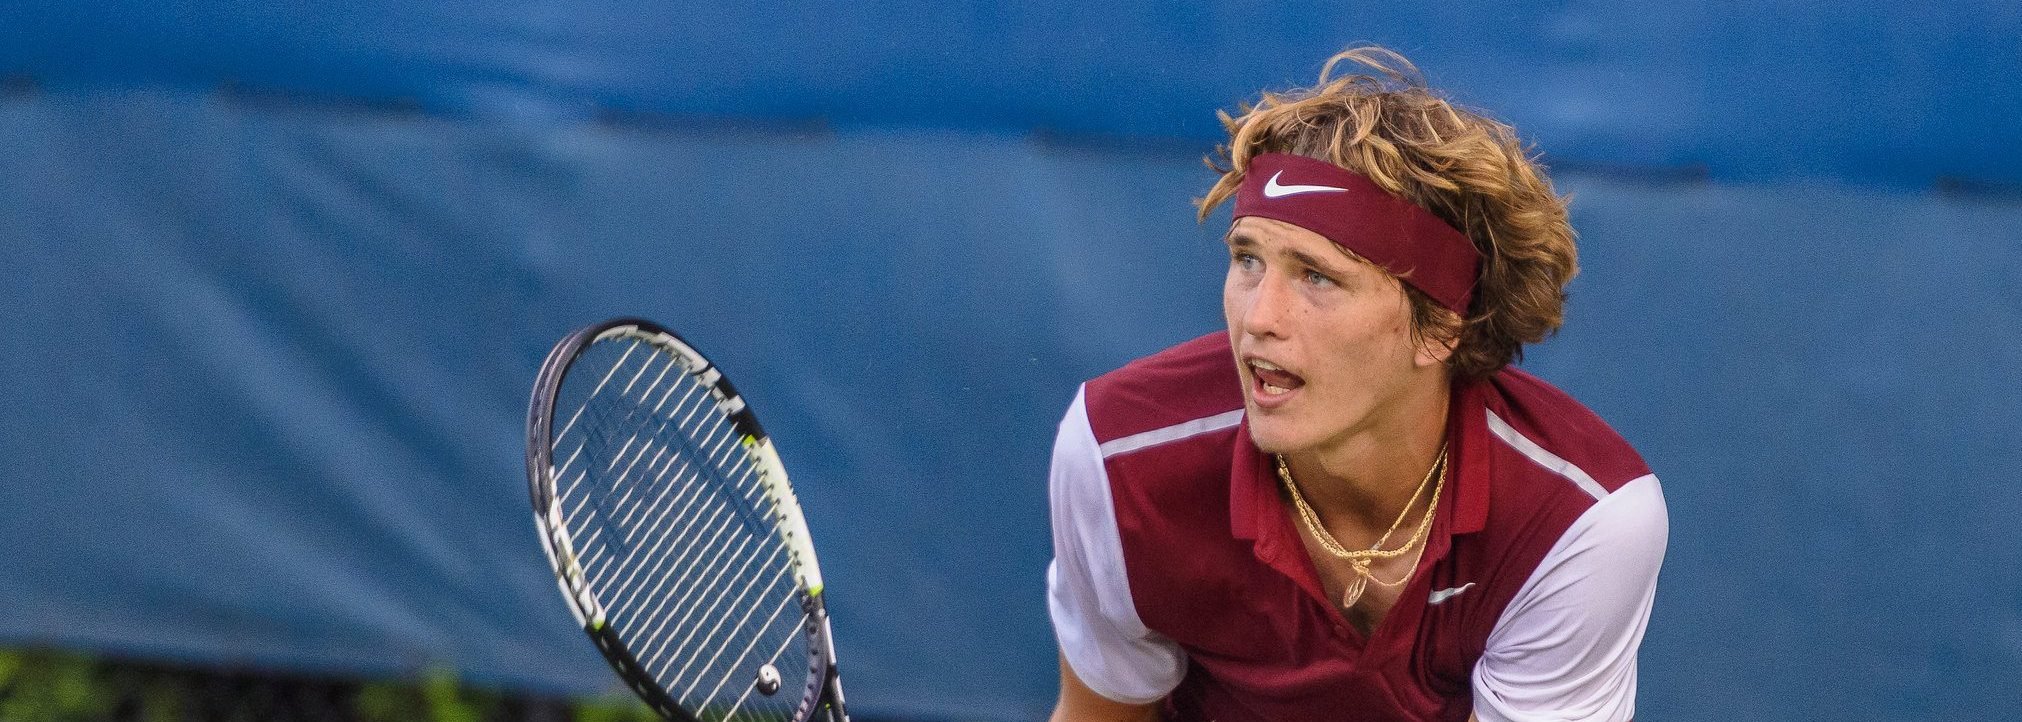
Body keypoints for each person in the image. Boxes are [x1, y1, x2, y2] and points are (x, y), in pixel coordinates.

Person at [1045, 46, 1668, 722]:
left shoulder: (1581, 518)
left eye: (1317, 276)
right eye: (1248, 260)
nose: (1259, 318)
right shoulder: (1116, 457)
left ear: (1440, 327)